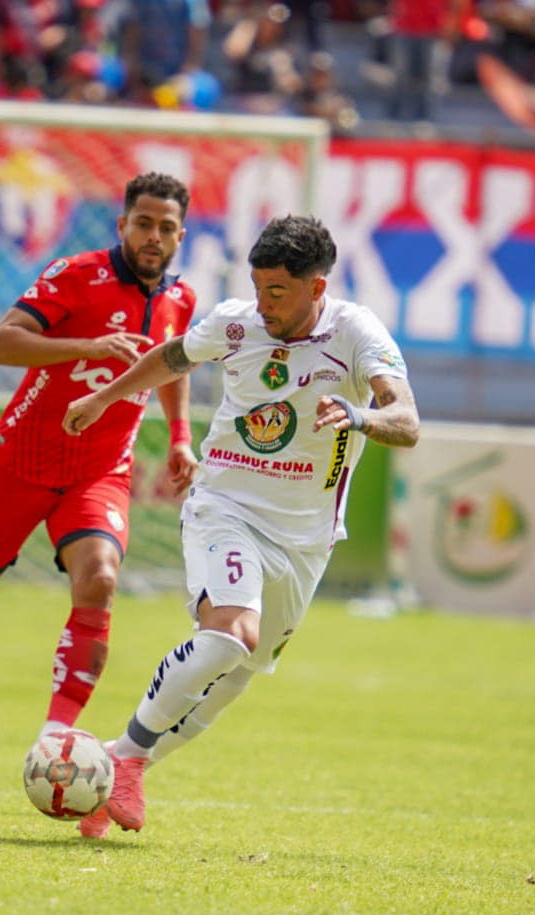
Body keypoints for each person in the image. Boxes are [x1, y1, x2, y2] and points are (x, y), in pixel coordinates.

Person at [62, 214, 420, 837]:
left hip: (306, 539)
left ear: (316, 287)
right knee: (231, 637)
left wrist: (359, 418)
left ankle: (125, 759)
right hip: (224, 507)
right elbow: (173, 357)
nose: (264, 304)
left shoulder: (357, 333)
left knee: (234, 680)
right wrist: (102, 398)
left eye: (277, 292)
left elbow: (408, 422)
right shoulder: (235, 323)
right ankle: (125, 761)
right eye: (258, 288)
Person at [0, 172, 198, 740]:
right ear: (122, 225)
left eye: (167, 228)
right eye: (144, 224)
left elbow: (171, 362)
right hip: (19, 465)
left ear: (181, 236)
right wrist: (88, 345)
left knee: (101, 579)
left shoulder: (181, 298)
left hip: (98, 473)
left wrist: (180, 435)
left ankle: (56, 740)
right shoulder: (77, 276)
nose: (154, 236)